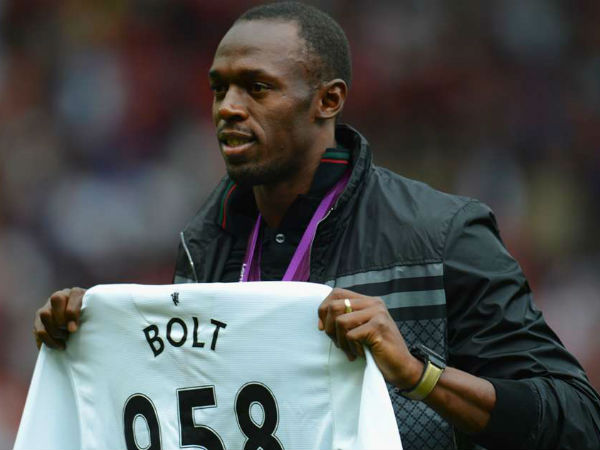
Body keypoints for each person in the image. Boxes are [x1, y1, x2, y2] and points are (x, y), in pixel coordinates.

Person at [33, 2, 600, 450]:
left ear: (328, 100)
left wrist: (418, 375)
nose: (228, 107)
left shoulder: (442, 235)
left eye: (257, 87)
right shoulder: (204, 246)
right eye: (219, 88)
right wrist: (96, 340)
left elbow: (577, 419)